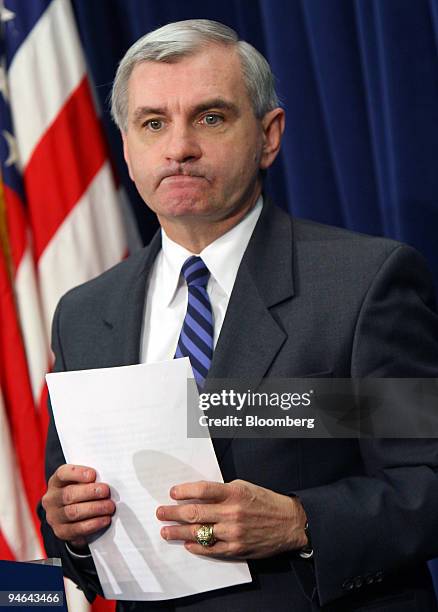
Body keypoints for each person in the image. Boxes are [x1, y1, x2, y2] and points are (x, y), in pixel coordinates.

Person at [38, 19, 438, 612]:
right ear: (125, 146)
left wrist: (303, 522)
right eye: (153, 124)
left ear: (269, 136)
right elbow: (75, 528)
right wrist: (69, 528)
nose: (179, 148)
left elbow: (426, 479)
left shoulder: (363, 284)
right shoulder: (84, 312)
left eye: (211, 117)